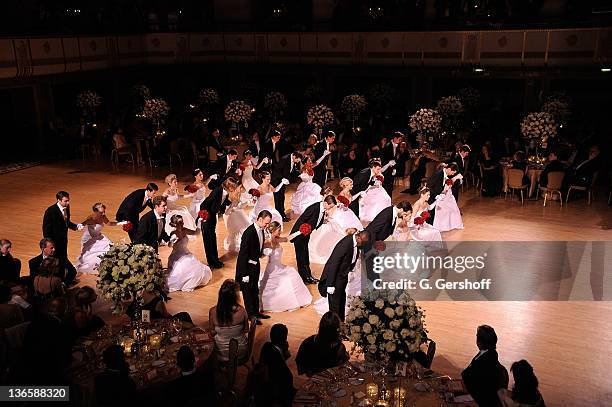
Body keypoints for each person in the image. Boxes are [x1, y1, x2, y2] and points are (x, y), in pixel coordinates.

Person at [259, 221, 312, 312]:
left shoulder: (277, 239)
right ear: (273, 230)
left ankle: (297, 299)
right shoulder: (267, 242)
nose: (280, 232)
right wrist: (264, 253)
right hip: (272, 269)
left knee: (292, 272)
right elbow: (258, 251)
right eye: (279, 230)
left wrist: (300, 232)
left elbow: (288, 238)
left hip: (280, 266)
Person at [318, 230, 369, 321]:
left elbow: (352, 257)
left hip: (342, 277)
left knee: (341, 302)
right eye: (363, 242)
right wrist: (330, 284)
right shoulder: (345, 244)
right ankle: (334, 327)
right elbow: (334, 263)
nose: (364, 244)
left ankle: (341, 324)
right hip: (335, 279)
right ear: (358, 237)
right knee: (335, 306)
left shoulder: (356, 243)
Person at [290, 190, 334, 284]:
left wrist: (323, 221)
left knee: (305, 256)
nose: (330, 208)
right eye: (330, 206)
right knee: (301, 257)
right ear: (326, 203)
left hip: (306, 235)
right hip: (299, 235)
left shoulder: (322, 209)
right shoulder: (314, 207)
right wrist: (298, 233)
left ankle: (308, 276)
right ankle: (305, 278)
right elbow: (302, 219)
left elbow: (316, 219)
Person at [236, 210, 272, 323]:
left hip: (255, 265)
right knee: (247, 293)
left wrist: (262, 253)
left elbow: (256, 247)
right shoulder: (249, 233)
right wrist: (244, 274)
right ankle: (251, 316)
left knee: (254, 290)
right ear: (260, 219)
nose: (267, 226)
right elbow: (243, 254)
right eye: (266, 223)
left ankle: (256, 312)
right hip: (247, 268)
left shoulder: (260, 230)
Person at [462, 325, 509, 407]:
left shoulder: (485, 362)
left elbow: (469, 378)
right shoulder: (490, 354)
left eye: (477, 336)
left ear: (479, 341)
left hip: (479, 400)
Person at [309, 195, 362, 264]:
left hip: (334, 222)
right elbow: (327, 216)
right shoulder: (324, 209)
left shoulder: (333, 206)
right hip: (331, 223)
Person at [42, 191, 81, 285]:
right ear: (58, 200)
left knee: (62, 261)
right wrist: (50, 245)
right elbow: (46, 229)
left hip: (63, 241)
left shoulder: (66, 207)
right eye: (65, 201)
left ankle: (62, 280)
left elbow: (66, 222)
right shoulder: (50, 211)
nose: (67, 203)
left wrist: (75, 226)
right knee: (60, 263)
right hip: (54, 243)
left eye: (68, 201)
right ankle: (61, 283)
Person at [295, 312, 349, 376]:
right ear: (337, 330)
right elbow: (342, 365)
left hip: (314, 376)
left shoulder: (307, 343)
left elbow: (300, 362)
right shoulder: (339, 347)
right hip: (331, 377)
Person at [200, 177, 238, 269]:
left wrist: (230, 202)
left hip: (212, 216)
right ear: (229, 186)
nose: (235, 189)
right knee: (208, 240)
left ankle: (215, 260)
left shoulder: (225, 193)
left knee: (212, 239)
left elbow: (221, 205)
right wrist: (204, 215)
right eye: (234, 187)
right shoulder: (217, 191)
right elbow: (206, 203)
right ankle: (212, 262)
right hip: (207, 216)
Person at [167, 215, 211, 292]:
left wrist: (199, 223)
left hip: (186, 253)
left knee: (197, 268)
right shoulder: (173, 233)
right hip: (177, 256)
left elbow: (196, 233)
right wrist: (171, 241)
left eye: (182, 221)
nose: (182, 223)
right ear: (175, 224)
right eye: (180, 222)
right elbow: (170, 245)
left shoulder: (185, 230)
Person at [208, 279, 249, 362]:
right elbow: (246, 329)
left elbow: (212, 332)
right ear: (235, 296)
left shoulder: (212, 312)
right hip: (241, 351)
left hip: (220, 353)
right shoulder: (242, 311)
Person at [259, 324, 296, 406]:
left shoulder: (266, 346)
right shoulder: (277, 358)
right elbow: (283, 376)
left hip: (265, 389)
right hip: (276, 396)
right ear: (285, 339)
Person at [75, 203, 115, 275]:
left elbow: (110, 224)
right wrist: (78, 227)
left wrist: (122, 223)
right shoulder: (90, 218)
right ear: (95, 211)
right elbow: (81, 225)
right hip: (89, 239)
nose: (103, 213)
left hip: (99, 237)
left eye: (104, 211)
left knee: (109, 248)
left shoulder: (103, 216)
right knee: (90, 257)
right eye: (101, 212)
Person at [273, 151, 303, 221]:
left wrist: (299, 174)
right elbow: (277, 170)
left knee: (282, 197)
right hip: (277, 181)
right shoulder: (285, 159)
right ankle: (280, 215)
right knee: (278, 198)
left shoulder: (292, 159)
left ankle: (282, 213)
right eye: (297, 160)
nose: (298, 162)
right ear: (294, 157)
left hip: (283, 181)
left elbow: (292, 169)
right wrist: (282, 179)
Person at [223, 183, 252, 253]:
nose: (242, 188)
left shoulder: (238, 194)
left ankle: (247, 241)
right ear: (236, 188)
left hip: (238, 212)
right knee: (238, 230)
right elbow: (226, 212)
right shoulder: (229, 196)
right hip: (230, 215)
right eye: (240, 187)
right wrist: (232, 205)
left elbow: (239, 206)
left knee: (248, 225)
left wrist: (248, 202)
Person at [381, 131, 403, 196]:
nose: (400, 141)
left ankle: (389, 201)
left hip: (391, 169)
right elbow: (384, 158)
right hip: (386, 168)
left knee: (390, 187)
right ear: (395, 138)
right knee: (386, 186)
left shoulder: (397, 146)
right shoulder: (388, 145)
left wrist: (394, 168)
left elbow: (395, 159)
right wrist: (389, 164)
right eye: (399, 139)